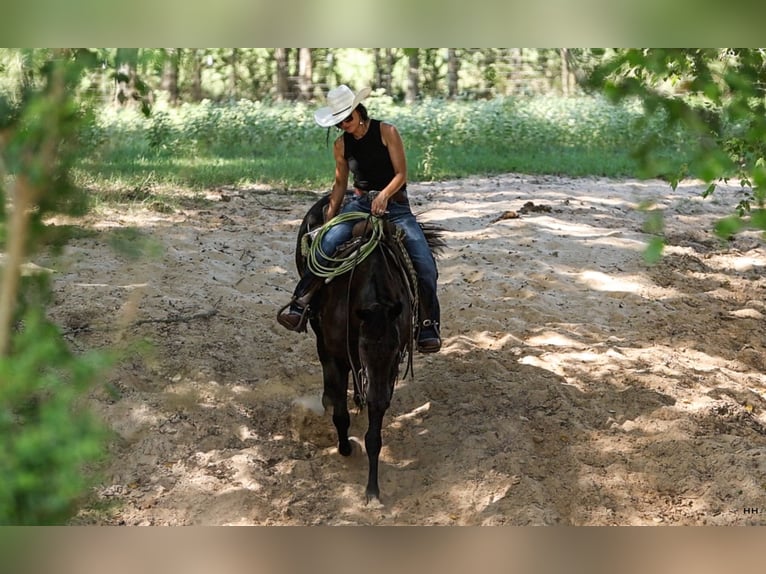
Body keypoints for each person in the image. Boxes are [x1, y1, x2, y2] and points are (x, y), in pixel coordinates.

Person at [277, 84, 442, 353]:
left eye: (348, 118)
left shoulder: (387, 131)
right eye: (339, 122)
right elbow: (340, 184)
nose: (345, 125)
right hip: (359, 204)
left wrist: (385, 196)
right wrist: (330, 215)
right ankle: (300, 302)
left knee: (424, 262)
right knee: (326, 245)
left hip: (395, 205)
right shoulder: (341, 145)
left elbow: (401, 174)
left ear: (358, 111)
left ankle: (427, 323)